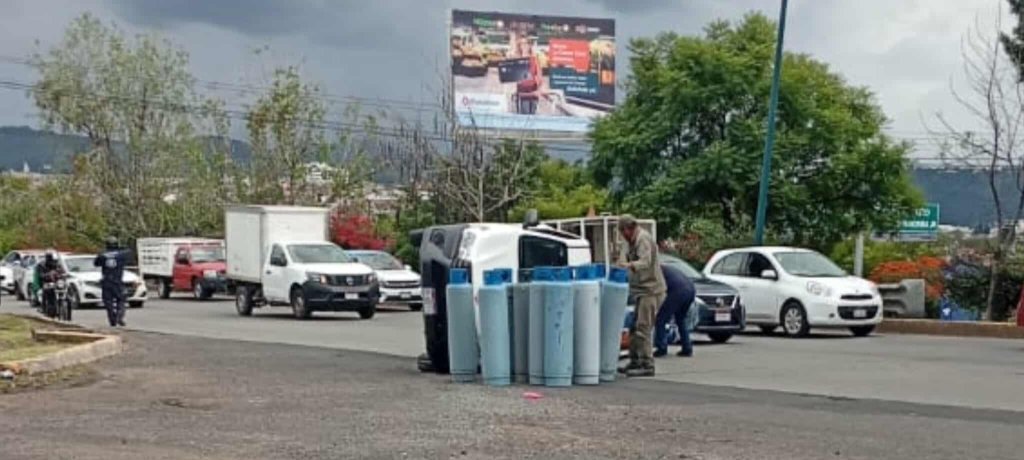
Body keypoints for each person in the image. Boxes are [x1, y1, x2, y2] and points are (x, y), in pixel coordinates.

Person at [616, 215, 667, 377]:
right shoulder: (630, 241)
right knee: (634, 327)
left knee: (643, 327)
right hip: (640, 290)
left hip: (651, 290)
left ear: (628, 229)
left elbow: (645, 262)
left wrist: (629, 265)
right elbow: (623, 256)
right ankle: (635, 360)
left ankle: (647, 363)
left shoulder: (643, 239)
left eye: (622, 231)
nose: (622, 235)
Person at [654, 264, 696, 358]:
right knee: (681, 319)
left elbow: (658, 290)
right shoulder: (667, 269)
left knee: (661, 319)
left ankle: (661, 347)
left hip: (677, 291)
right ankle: (687, 347)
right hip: (690, 289)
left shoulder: (656, 272)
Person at [94, 236, 127, 327]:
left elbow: (96, 263)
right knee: (121, 299)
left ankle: (112, 319)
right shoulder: (121, 254)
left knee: (108, 301)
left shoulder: (102, 255)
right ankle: (119, 316)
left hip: (106, 281)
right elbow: (127, 257)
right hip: (117, 280)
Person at [36, 250, 64, 319]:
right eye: (49, 256)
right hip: (46, 282)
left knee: (64, 288)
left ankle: (64, 306)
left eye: (51, 256)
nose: (51, 258)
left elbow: (62, 271)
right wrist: (47, 275)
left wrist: (62, 274)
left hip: (57, 283)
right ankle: (44, 307)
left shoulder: (57, 264)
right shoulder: (42, 265)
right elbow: (40, 275)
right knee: (45, 292)